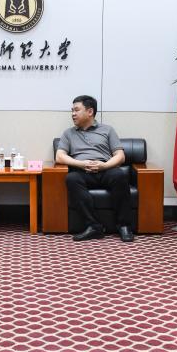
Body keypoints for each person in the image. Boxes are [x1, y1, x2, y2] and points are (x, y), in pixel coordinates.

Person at [55, 95, 134, 242]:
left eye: (76, 110)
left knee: (120, 176)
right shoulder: (68, 133)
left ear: (90, 111)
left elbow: (120, 156)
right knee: (71, 178)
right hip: (82, 171)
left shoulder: (107, 130)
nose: (73, 114)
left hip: (105, 169)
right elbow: (59, 156)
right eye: (72, 110)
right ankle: (94, 226)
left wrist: (104, 165)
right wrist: (81, 164)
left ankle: (124, 226)